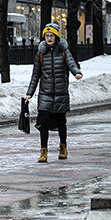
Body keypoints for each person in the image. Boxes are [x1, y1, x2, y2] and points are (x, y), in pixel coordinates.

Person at [24, 22, 83, 163]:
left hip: (61, 94)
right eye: (47, 36)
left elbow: (71, 64)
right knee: (43, 124)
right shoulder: (41, 54)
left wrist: (77, 73)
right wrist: (29, 93)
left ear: (56, 37)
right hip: (45, 94)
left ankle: (63, 147)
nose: (49, 38)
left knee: (61, 123)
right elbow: (35, 76)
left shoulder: (64, 51)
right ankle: (43, 151)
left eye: (51, 36)